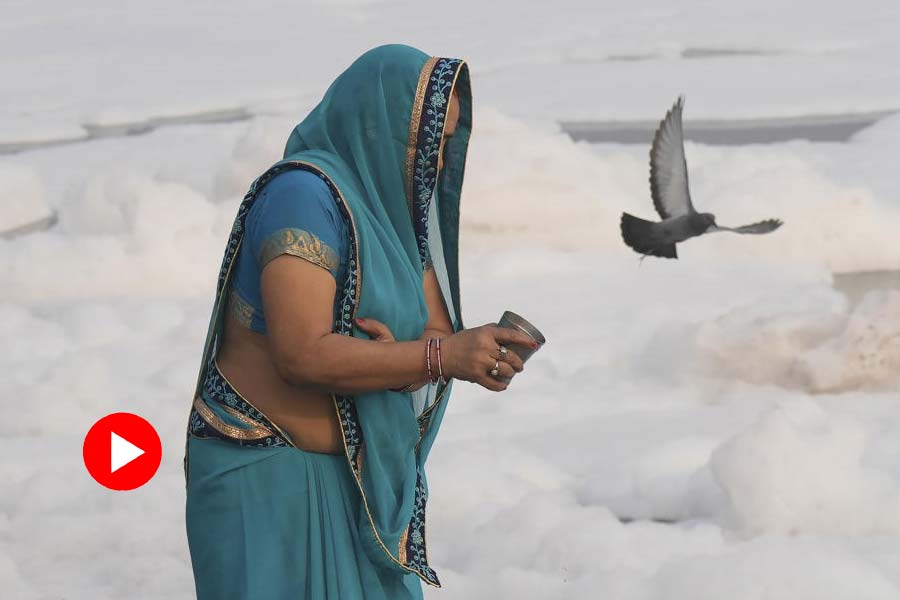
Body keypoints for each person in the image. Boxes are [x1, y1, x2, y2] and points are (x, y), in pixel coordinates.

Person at [183, 45, 535, 599]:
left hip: (359, 493)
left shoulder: (390, 215)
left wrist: (420, 358)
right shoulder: (301, 197)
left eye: (443, 147)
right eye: (425, 144)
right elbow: (301, 355)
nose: (434, 165)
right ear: (378, 126)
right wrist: (434, 359)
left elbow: (435, 333)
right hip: (267, 489)